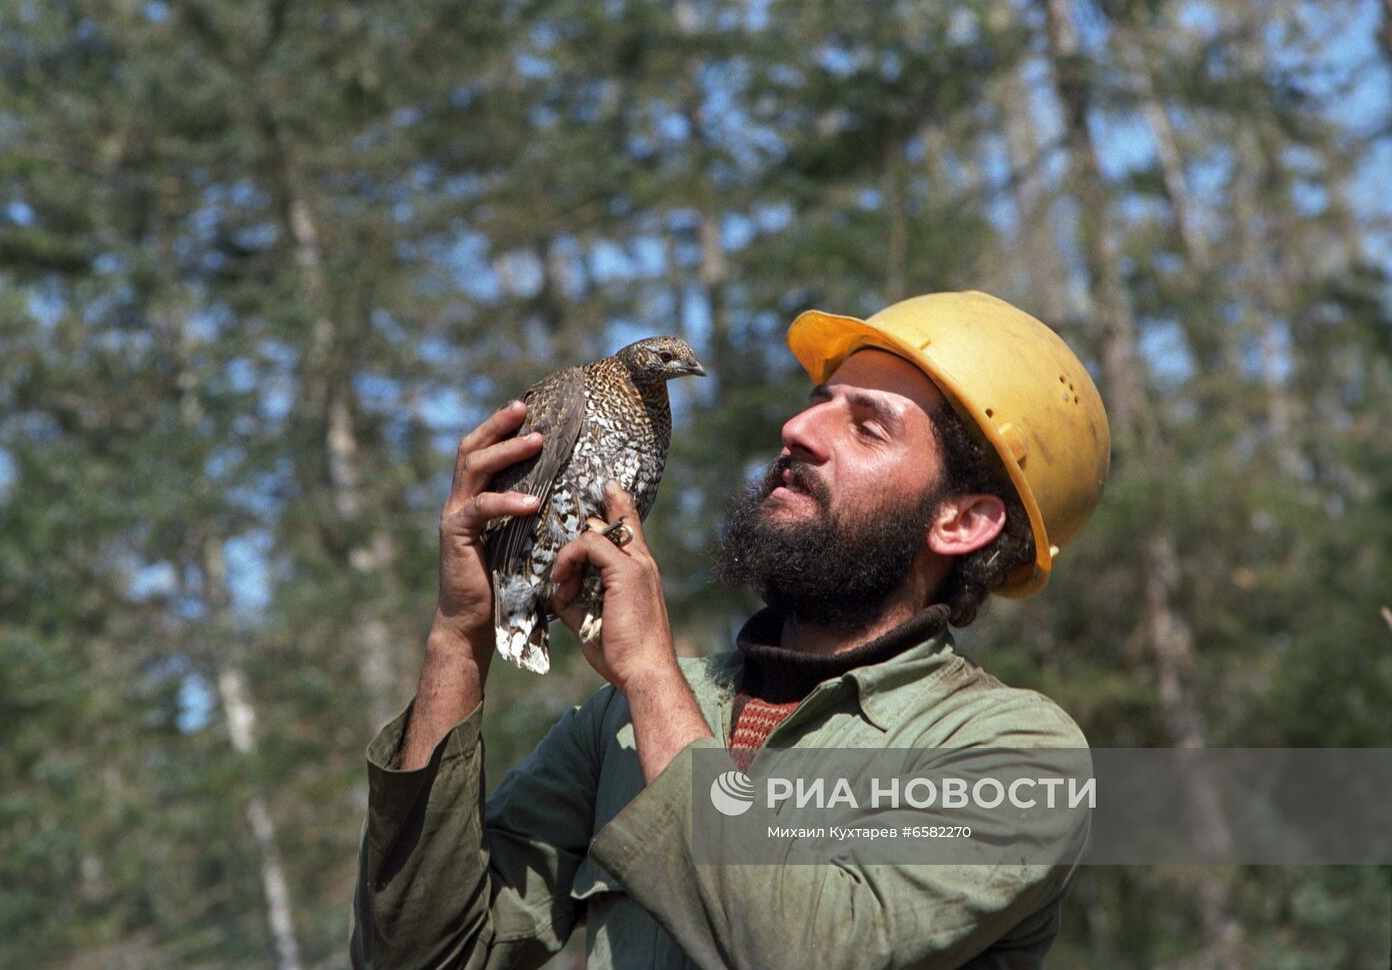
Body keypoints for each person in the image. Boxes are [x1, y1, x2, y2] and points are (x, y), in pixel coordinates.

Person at [351, 291, 1111, 969]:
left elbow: (803, 952)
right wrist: (460, 637)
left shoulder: (1013, 752)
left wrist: (651, 676)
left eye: (867, 427)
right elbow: (420, 955)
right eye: (816, 400)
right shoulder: (611, 728)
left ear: (962, 520)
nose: (797, 429)